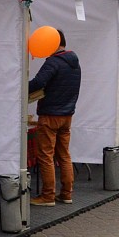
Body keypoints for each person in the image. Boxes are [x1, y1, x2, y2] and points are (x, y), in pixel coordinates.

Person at [27, 30, 82, 207]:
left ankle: (48, 196)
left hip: (50, 115)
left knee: (46, 156)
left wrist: (19, 85)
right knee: (64, 155)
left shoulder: (53, 62)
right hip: (67, 115)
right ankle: (66, 194)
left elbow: (38, 83)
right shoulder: (75, 63)